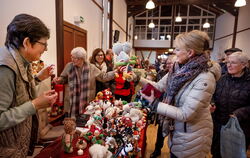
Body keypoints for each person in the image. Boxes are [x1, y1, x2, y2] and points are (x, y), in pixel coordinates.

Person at [140, 30, 221, 158]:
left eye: (178, 49)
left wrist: (156, 105)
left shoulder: (205, 77)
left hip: (193, 137)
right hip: (179, 133)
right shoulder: (178, 70)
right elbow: (159, 86)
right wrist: (136, 79)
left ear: (190, 52)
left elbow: (186, 114)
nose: (174, 52)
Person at [0, 14, 58, 157]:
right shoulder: (5, 69)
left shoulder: (21, 60)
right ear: (26, 42)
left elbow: (18, 92)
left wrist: (38, 78)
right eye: (43, 44)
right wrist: (35, 105)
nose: (45, 49)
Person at [53, 47, 116, 117]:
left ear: (82, 59)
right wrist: (59, 80)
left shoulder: (91, 68)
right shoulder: (69, 66)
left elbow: (103, 77)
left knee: (85, 122)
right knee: (70, 122)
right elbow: (63, 78)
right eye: (72, 57)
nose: (72, 59)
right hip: (72, 101)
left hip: (86, 100)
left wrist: (115, 72)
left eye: (75, 58)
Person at [211, 52, 250, 158]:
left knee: (234, 154)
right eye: (228, 62)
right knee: (217, 152)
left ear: (244, 64)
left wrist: (239, 113)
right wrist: (212, 103)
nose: (228, 65)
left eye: (233, 63)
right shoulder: (222, 79)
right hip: (219, 124)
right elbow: (212, 95)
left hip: (239, 127)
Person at [150, 55, 176, 158]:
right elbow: (157, 87)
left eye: (171, 63)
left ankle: (172, 151)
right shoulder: (162, 74)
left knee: (173, 132)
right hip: (162, 103)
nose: (169, 65)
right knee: (161, 129)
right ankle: (157, 149)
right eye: (168, 63)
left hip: (173, 108)